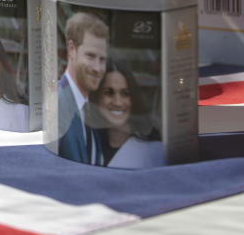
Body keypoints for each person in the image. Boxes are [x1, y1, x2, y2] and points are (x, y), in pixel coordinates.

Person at [88, 60, 164, 168]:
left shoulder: (153, 150)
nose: (118, 102)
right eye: (109, 93)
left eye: (125, 94)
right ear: (96, 98)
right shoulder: (88, 142)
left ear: (133, 99)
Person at [57, 11, 108, 165]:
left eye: (102, 59)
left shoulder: (90, 111)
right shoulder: (58, 103)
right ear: (71, 49)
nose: (97, 68)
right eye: (91, 56)